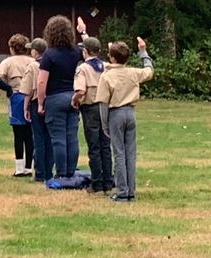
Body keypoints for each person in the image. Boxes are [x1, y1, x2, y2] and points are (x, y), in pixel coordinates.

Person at [97, 37, 154, 202]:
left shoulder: (107, 76)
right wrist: (143, 52)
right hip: (131, 112)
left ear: (112, 58)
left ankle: (122, 191)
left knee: (119, 153)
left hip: (116, 113)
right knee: (130, 153)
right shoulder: (133, 72)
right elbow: (149, 71)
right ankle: (131, 190)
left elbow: (103, 103)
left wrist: (104, 124)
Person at [36, 14, 86, 181]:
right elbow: (91, 51)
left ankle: (61, 173)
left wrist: (41, 103)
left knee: (58, 139)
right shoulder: (76, 52)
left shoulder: (49, 55)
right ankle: (71, 172)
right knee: (72, 137)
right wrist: (83, 32)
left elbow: (42, 81)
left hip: (55, 98)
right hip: (73, 97)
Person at [0, 33, 35, 177]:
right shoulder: (32, 60)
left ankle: (19, 168)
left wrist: (7, 89)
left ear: (12, 48)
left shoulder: (8, 62)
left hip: (16, 96)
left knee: (18, 134)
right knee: (30, 134)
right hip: (32, 97)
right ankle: (29, 167)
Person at [72, 35, 113, 193]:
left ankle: (96, 183)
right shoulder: (106, 66)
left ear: (85, 51)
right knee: (105, 146)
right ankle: (108, 181)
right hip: (105, 107)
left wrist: (75, 100)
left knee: (94, 146)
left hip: (90, 108)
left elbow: (81, 91)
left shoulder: (83, 68)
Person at [23, 38, 52, 183]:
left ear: (35, 51)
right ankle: (49, 171)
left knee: (38, 138)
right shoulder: (51, 63)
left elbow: (28, 90)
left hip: (36, 103)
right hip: (51, 102)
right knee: (50, 138)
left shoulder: (33, 66)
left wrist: (25, 107)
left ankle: (40, 173)